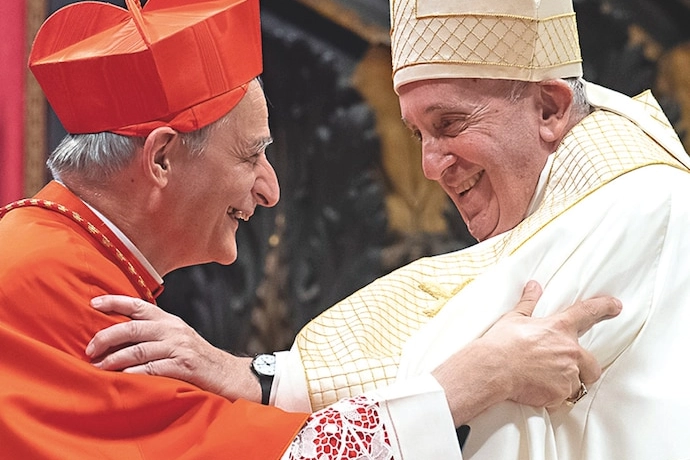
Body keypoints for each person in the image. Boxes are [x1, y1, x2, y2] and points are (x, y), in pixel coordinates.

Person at [0, 0, 621, 458]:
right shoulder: (46, 280)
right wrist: (473, 382)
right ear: (161, 159)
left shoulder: (65, 258)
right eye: (252, 155)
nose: (269, 189)